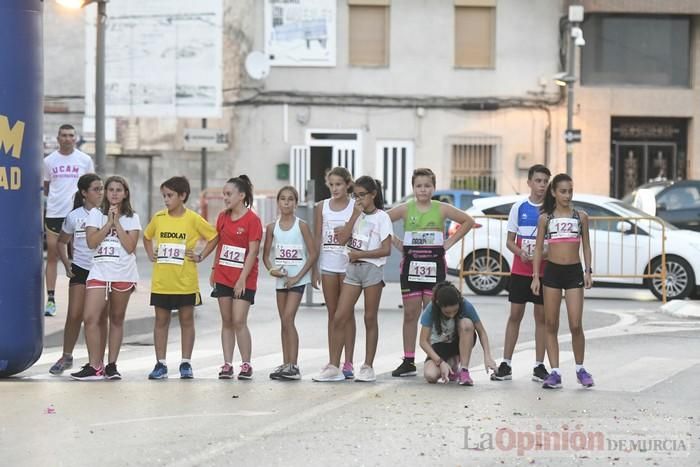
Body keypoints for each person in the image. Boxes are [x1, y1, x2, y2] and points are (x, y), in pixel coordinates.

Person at [387, 168, 475, 377]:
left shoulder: (442, 209)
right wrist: (396, 242)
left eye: (427, 186)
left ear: (433, 187)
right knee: (410, 313)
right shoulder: (405, 209)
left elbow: (468, 221)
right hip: (411, 267)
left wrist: (449, 243)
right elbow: (379, 221)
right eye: (419, 186)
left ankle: (440, 356)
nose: (423, 190)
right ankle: (408, 360)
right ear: (413, 188)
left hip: (434, 267)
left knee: (434, 313)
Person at [313, 176, 393, 382]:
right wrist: (354, 216)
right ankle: (334, 365)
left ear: (373, 195)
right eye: (355, 196)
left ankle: (367, 365)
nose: (358, 200)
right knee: (339, 315)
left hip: (372, 270)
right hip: (353, 270)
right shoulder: (355, 214)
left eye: (362, 196)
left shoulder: (382, 217)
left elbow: (386, 249)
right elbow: (341, 239)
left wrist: (361, 255)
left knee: (369, 317)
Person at [143, 176, 218, 380]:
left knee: (186, 320)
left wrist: (201, 255)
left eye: (170, 195)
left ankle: (186, 362)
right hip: (162, 281)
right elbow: (146, 236)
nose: (166, 200)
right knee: (161, 321)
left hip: (185, 282)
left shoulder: (193, 219)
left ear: (182, 196)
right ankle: (161, 363)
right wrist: (150, 254)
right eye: (164, 196)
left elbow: (214, 236)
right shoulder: (159, 218)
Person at [70, 176, 141, 380]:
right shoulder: (95, 213)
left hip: (123, 272)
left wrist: (116, 222)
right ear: (106, 193)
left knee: (116, 318)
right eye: (111, 189)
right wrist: (107, 222)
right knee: (90, 317)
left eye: (119, 190)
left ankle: (111, 365)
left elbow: (130, 246)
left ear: (125, 193)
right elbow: (92, 242)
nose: (115, 193)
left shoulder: (132, 217)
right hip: (100, 271)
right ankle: (94, 366)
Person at [531, 173, 595, 389]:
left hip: (573, 273)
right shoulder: (545, 219)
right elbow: (539, 249)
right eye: (563, 191)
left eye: (570, 191)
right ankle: (555, 372)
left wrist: (588, 271)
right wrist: (535, 277)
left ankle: (580, 369)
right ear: (554, 193)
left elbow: (586, 245)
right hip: (552, 274)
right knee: (551, 323)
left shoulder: (581, 216)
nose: (567, 195)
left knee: (576, 324)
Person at [491, 164, 551, 383]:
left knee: (541, 318)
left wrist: (544, 254)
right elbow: (509, 241)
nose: (542, 185)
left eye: (545, 181)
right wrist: (521, 253)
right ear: (529, 182)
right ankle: (506, 363)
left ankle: (539, 365)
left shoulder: (551, 210)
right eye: (538, 180)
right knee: (515, 315)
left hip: (544, 272)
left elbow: (554, 243)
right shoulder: (519, 208)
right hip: (520, 270)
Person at [49, 174, 106, 375]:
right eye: (96, 189)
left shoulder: (107, 214)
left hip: (103, 269)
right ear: (84, 193)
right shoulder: (74, 216)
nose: (100, 193)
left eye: (102, 189)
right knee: (74, 314)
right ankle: (66, 356)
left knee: (97, 318)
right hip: (81, 269)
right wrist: (67, 264)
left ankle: (97, 362)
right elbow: (61, 242)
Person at [205, 175, 262, 380]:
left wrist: (242, 280)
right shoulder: (222, 217)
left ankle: (246, 364)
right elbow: (218, 242)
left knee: (239, 320)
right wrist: (211, 266)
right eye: (224, 194)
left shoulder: (252, 220)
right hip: (223, 275)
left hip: (244, 277)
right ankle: (227, 364)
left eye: (229, 194)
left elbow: (253, 252)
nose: (225, 198)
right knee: (227, 320)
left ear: (241, 195)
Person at [262, 186, 318, 380]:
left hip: (298, 278)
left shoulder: (301, 225)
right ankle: (286, 363)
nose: (286, 202)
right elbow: (266, 256)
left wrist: (300, 276)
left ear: (296, 203)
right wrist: (272, 270)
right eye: (283, 199)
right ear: (277, 202)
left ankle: (293, 366)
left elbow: (312, 253)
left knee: (288, 318)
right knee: (284, 322)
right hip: (281, 280)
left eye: (291, 199)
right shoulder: (271, 227)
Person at [43, 124, 95, 316]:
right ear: (58, 138)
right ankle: (50, 300)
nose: (67, 138)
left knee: (82, 256)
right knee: (53, 256)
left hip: (79, 214)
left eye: (70, 135)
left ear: (76, 138)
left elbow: (92, 186)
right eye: (63, 135)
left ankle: (86, 298)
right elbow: (47, 187)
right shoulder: (48, 161)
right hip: (55, 213)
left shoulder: (85, 159)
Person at [311, 167, 357, 379]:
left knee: (346, 313)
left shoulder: (355, 207)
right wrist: (314, 268)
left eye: (339, 184)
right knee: (333, 314)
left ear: (348, 184)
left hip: (349, 265)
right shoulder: (321, 207)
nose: (335, 188)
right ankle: (333, 361)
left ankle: (348, 361)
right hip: (328, 265)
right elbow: (317, 238)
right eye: (331, 185)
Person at [420, 282, 497, 385]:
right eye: (447, 313)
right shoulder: (431, 309)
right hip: (440, 345)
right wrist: (440, 362)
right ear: (438, 304)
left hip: (459, 341)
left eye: (455, 311)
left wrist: (487, 356)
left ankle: (464, 370)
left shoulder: (466, 305)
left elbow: (481, 332)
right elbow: (423, 341)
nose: (452, 315)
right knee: (431, 376)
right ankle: (452, 363)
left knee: (467, 323)